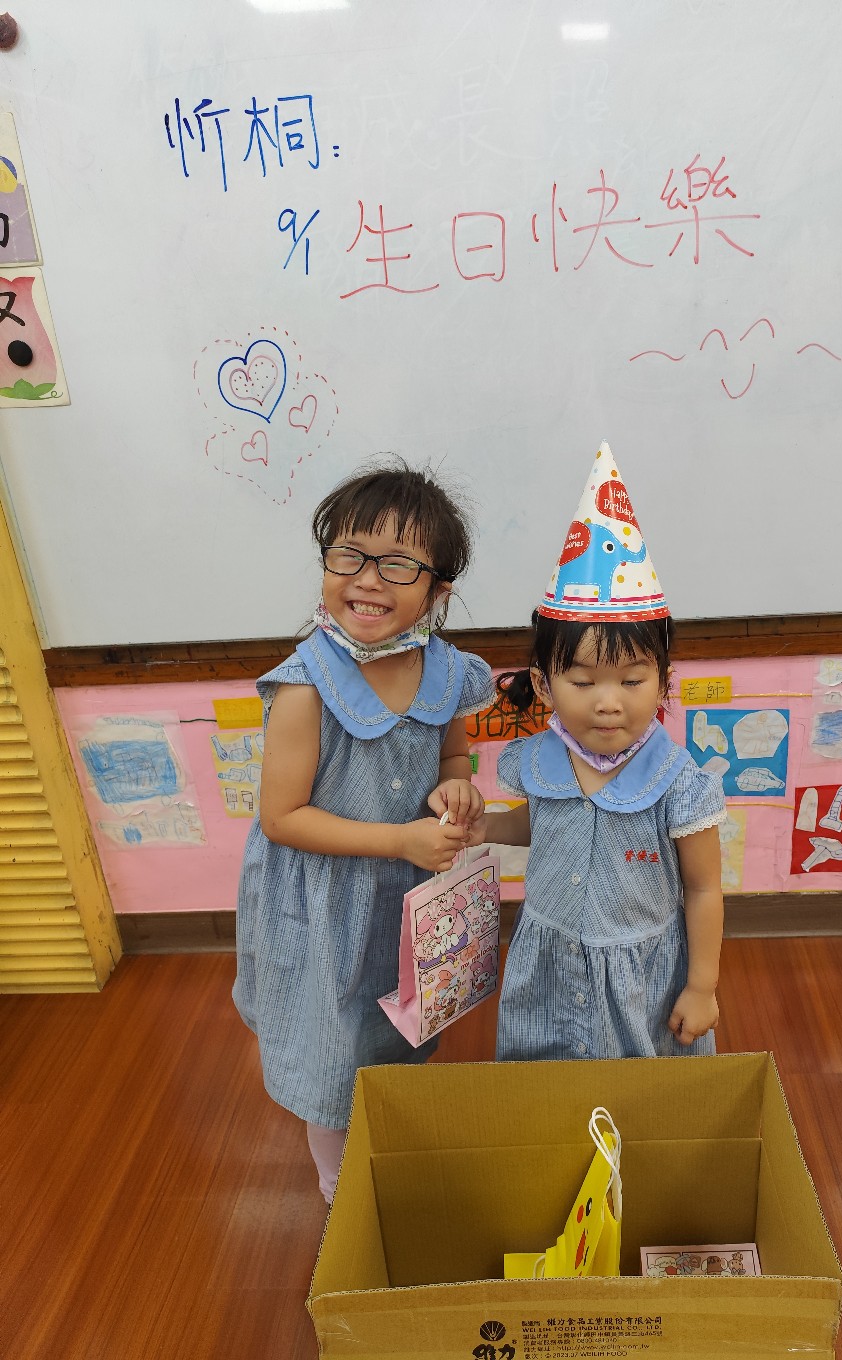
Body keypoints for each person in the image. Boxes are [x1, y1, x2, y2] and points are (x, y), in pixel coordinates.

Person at [233, 459, 493, 1204]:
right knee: (333, 1042)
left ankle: (386, 1121)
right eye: (349, 555)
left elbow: (451, 757)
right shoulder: (305, 687)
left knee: (396, 1023)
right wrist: (400, 841)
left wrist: (456, 788)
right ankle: (337, 1176)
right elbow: (282, 819)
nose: (368, 580)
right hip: (324, 901)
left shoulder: (446, 672)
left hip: (404, 894)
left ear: (438, 590)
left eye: (398, 564)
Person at [477, 442, 727, 1062]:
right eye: (584, 682)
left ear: (663, 682)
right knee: (545, 1087)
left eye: (632, 680)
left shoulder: (679, 783)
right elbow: (545, 823)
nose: (608, 703)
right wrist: (486, 826)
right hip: (548, 960)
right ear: (544, 686)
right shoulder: (538, 761)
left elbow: (703, 889)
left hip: (641, 978)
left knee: (639, 1094)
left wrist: (702, 986)